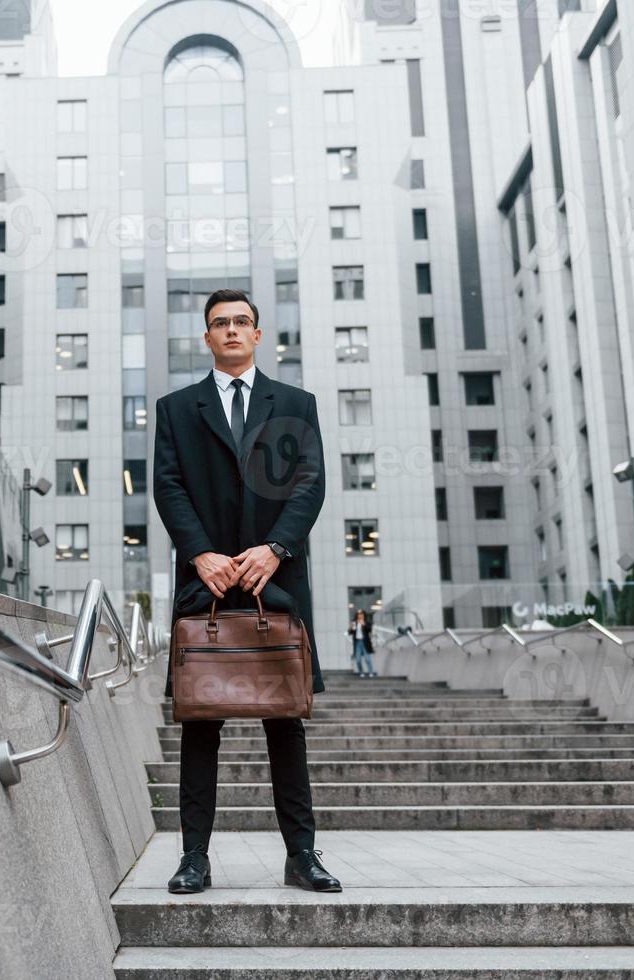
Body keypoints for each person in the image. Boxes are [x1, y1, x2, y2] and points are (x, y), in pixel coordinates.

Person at [153, 288, 342, 895]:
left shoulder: (295, 403)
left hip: (274, 583)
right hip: (204, 584)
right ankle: (193, 859)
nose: (231, 330)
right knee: (199, 723)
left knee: (285, 722)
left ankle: (303, 855)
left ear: (258, 334)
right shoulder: (177, 408)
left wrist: (276, 547)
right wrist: (201, 552)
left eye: (241, 322)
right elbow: (168, 485)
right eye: (219, 324)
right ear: (206, 337)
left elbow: (309, 483)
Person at [347, 609, 377, 677]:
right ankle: (361, 672)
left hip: (365, 642)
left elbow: (370, 630)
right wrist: (351, 628)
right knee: (358, 660)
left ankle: (371, 672)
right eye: (359, 615)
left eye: (361, 615)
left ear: (364, 616)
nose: (360, 616)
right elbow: (350, 632)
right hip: (357, 642)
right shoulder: (355, 622)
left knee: (367, 659)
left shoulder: (366, 622)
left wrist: (364, 624)